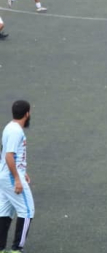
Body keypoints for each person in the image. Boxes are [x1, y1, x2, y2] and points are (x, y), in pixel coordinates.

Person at [0, 100, 34, 252]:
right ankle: (16, 249)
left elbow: (7, 153)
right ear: (27, 114)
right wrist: (17, 179)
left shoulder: (10, 127)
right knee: (27, 211)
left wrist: (22, 170)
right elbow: (9, 156)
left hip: (5, 175)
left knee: (5, 212)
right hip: (11, 176)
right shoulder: (16, 131)